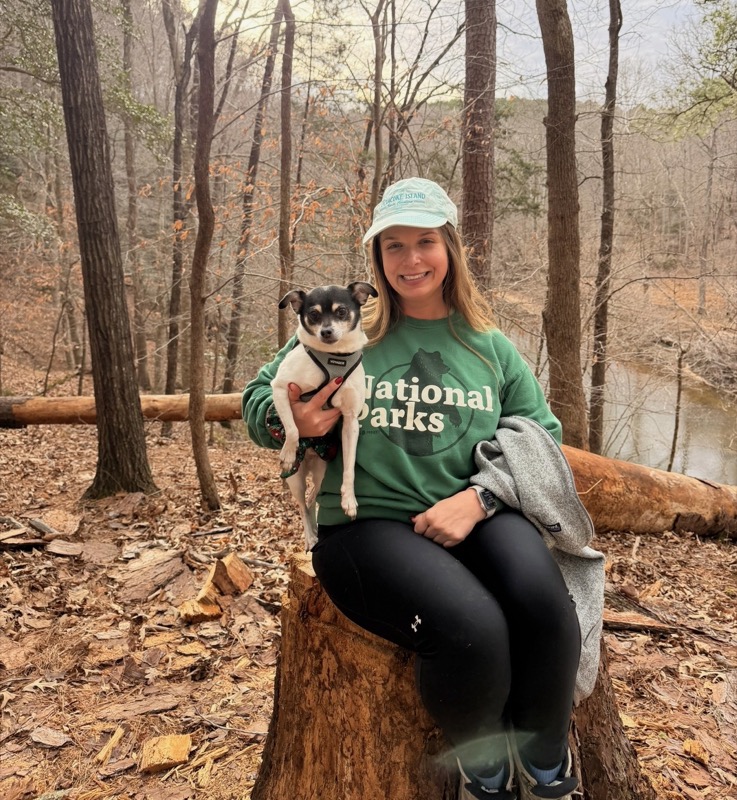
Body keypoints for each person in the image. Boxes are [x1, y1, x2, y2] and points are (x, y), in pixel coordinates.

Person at [242, 178, 599, 800]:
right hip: (367, 525)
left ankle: (546, 768)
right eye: (393, 246)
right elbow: (257, 399)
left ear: (450, 248)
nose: (411, 260)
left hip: (476, 510)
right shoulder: (350, 334)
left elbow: (541, 433)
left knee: (549, 613)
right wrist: (288, 421)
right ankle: (485, 775)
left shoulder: (487, 346)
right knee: (473, 632)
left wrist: (482, 498)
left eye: (425, 242)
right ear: (377, 260)